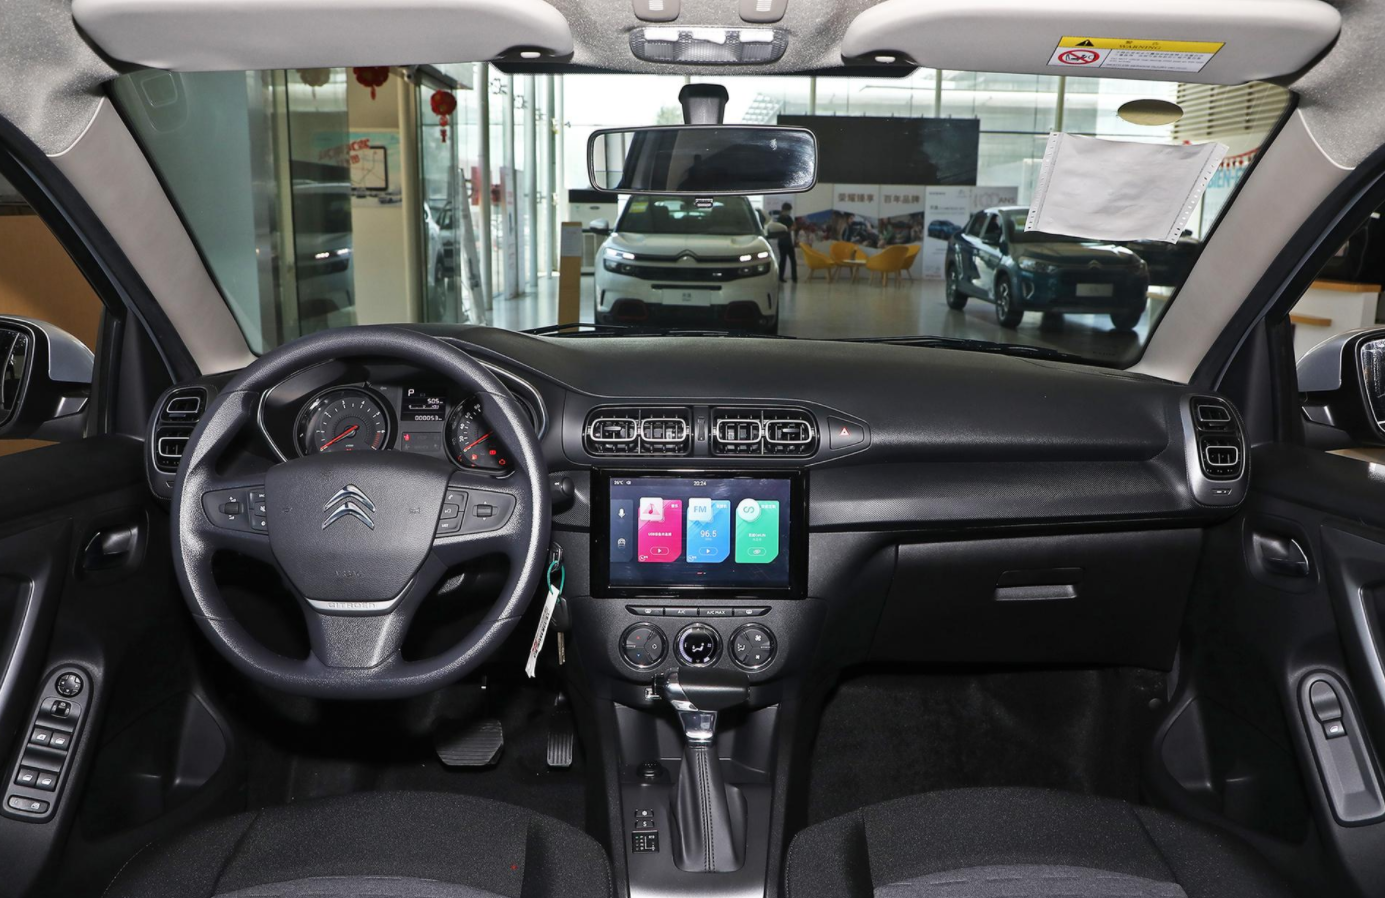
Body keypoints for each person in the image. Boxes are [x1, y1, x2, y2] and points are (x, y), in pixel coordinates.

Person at [775, 202, 797, 282]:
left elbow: (794, 225)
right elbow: (782, 230)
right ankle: (780, 277)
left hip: (789, 242)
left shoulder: (789, 218)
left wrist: (791, 228)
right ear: (784, 210)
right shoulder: (780, 219)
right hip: (782, 242)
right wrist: (789, 229)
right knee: (783, 260)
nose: (789, 212)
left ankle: (794, 277)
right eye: (788, 210)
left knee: (793, 260)